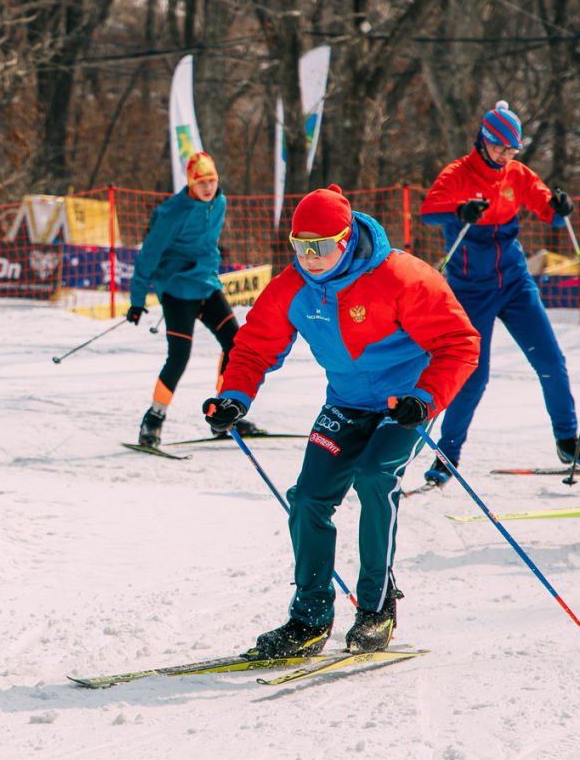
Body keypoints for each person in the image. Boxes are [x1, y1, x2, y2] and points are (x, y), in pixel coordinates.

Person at [201, 186, 480, 657]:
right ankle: (309, 619)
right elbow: (253, 347)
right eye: (300, 245)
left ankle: (376, 608)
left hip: (404, 405)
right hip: (346, 404)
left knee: (374, 477)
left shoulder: (401, 276)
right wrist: (234, 397)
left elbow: (460, 343)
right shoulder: (293, 286)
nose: (310, 258)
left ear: (346, 240)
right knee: (308, 498)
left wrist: (425, 397)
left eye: (322, 246)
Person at [415, 101, 580, 487]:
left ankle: (567, 441)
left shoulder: (516, 174)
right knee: (473, 376)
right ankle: (447, 455)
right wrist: (460, 210)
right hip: (471, 289)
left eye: (512, 150)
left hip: (515, 283)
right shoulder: (458, 173)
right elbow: (429, 212)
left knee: (551, 361)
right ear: (483, 141)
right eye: (500, 148)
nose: (505, 156)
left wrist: (560, 207)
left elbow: (550, 211)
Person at [126, 151, 261, 447]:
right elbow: (148, 255)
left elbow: (208, 242)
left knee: (236, 345)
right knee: (179, 355)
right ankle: (153, 419)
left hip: (206, 284)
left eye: (212, 181)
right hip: (177, 290)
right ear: (190, 183)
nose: (208, 188)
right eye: (201, 183)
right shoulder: (172, 213)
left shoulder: (219, 202)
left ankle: (223, 415)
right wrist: (137, 299)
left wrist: (211, 263)